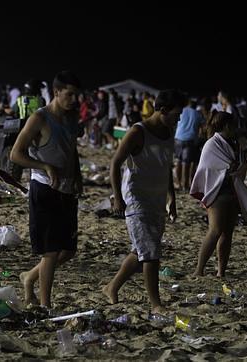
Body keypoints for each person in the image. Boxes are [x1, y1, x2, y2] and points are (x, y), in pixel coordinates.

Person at [103, 89, 185, 314]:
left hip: (157, 199)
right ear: (163, 110)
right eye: (176, 114)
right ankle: (156, 304)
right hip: (136, 199)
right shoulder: (138, 132)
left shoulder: (169, 133)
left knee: (140, 251)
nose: (178, 119)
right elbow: (115, 164)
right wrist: (118, 198)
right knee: (150, 253)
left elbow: (166, 167)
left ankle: (111, 287)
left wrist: (172, 198)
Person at [10, 71, 83, 308]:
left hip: (67, 190)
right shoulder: (39, 118)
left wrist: (78, 177)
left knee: (69, 250)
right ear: (56, 92)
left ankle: (29, 277)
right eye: (69, 94)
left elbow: (72, 150)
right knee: (50, 252)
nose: (74, 99)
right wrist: (44, 166)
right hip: (44, 188)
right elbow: (16, 154)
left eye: (77, 95)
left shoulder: (72, 118)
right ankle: (45, 305)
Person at [191, 111, 247, 277]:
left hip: (233, 192)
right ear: (227, 126)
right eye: (234, 125)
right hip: (218, 192)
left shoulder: (234, 144)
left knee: (227, 233)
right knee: (215, 231)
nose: (236, 128)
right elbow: (207, 168)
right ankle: (199, 270)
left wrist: (234, 168)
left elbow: (240, 165)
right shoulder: (212, 144)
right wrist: (231, 169)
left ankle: (221, 272)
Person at [174, 100, 205, 191]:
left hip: (178, 138)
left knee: (178, 161)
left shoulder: (181, 110)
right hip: (190, 140)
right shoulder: (198, 114)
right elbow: (202, 129)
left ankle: (177, 183)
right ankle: (185, 185)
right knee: (186, 164)